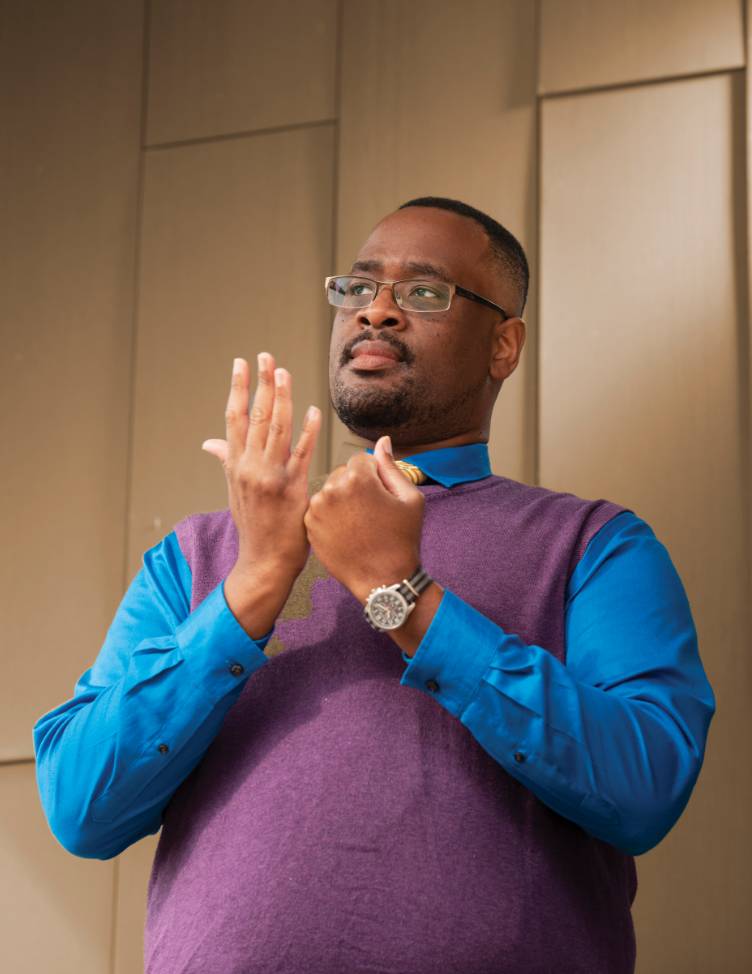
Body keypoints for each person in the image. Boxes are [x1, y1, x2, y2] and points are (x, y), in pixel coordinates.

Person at [34, 197, 715, 974]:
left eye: (424, 293)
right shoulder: (199, 554)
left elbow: (645, 786)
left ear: (504, 344)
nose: (378, 312)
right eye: (357, 289)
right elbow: (82, 808)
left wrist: (404, 592)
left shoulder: (592, 546)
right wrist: (251, 586)